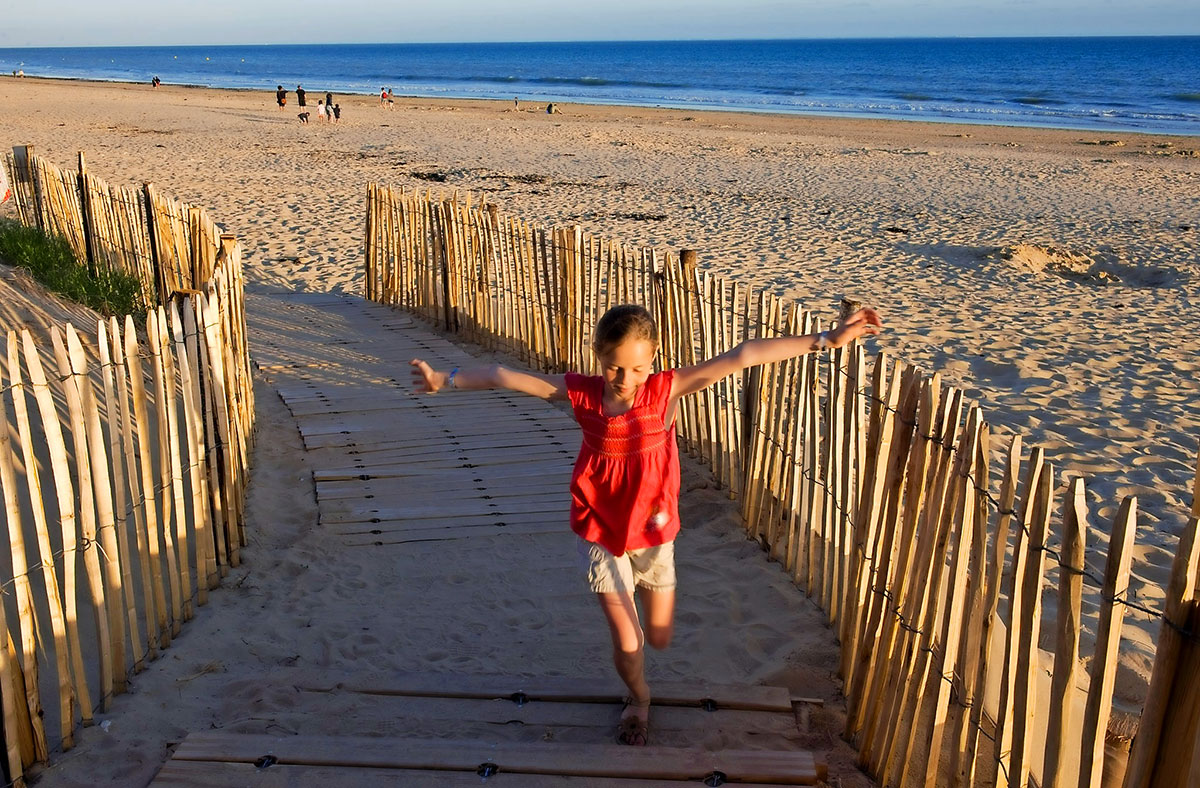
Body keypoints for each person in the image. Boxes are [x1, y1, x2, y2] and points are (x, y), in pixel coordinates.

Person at [410, 303, 882, 746]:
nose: (625, 379)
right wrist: (443, 379)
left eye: (637, 368)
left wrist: (828, 339)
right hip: (598, 530)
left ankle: (649, 617)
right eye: (615, 367)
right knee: (630, 639)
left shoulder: (665, 390)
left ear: (652, 361)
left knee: (658, 630)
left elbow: (744, 355)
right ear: (598, 357)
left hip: (655, 533)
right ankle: (639, 698)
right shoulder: (581, 392)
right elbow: (503, 375)